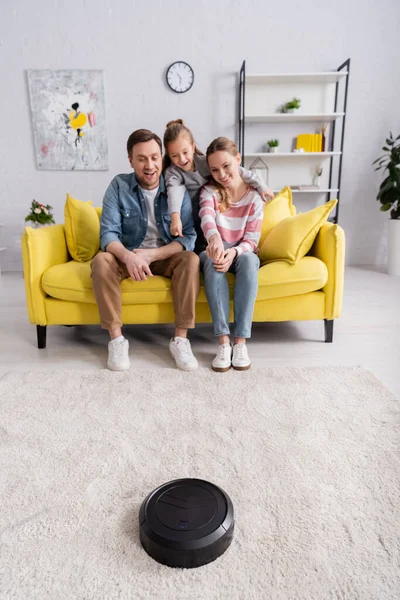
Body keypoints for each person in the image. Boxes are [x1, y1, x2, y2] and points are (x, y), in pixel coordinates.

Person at [91, 129, 200, 372]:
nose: (149, 165)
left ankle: (180, 340)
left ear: (161, 157)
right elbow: (107, 234)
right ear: (130, 160)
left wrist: (152, 255)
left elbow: (189, 237)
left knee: (190, 259)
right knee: (100, 261)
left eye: (154, 157)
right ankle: (117, 340)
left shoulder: (176, 186)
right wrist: (129, 257)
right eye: (141, 159)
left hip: (163, 256)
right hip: (128, 256)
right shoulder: (119, 186)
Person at [199, 137, 264, 372]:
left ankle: (240, 341)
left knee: (249, 259)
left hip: (241, 251)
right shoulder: (209, 192)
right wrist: (215, 241)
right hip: (216, 248)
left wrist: (234, 251)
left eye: (226, 166)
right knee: (212, 259)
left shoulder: (255, 198)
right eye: (215, 169)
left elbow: (252, 240)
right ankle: (223, 342)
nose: (221, 174)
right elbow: (207, 219)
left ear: (238, 160)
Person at [162, 120, 273, 244]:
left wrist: (260, 185)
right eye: (174, 155)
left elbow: (238, 170)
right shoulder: (172, 173)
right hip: (188, 218)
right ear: (169, 155)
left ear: (193, 147)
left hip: (208, 211)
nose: (182, 159)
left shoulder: (205, 162)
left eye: (185, 152)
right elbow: (174, 192)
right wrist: (175, 217)